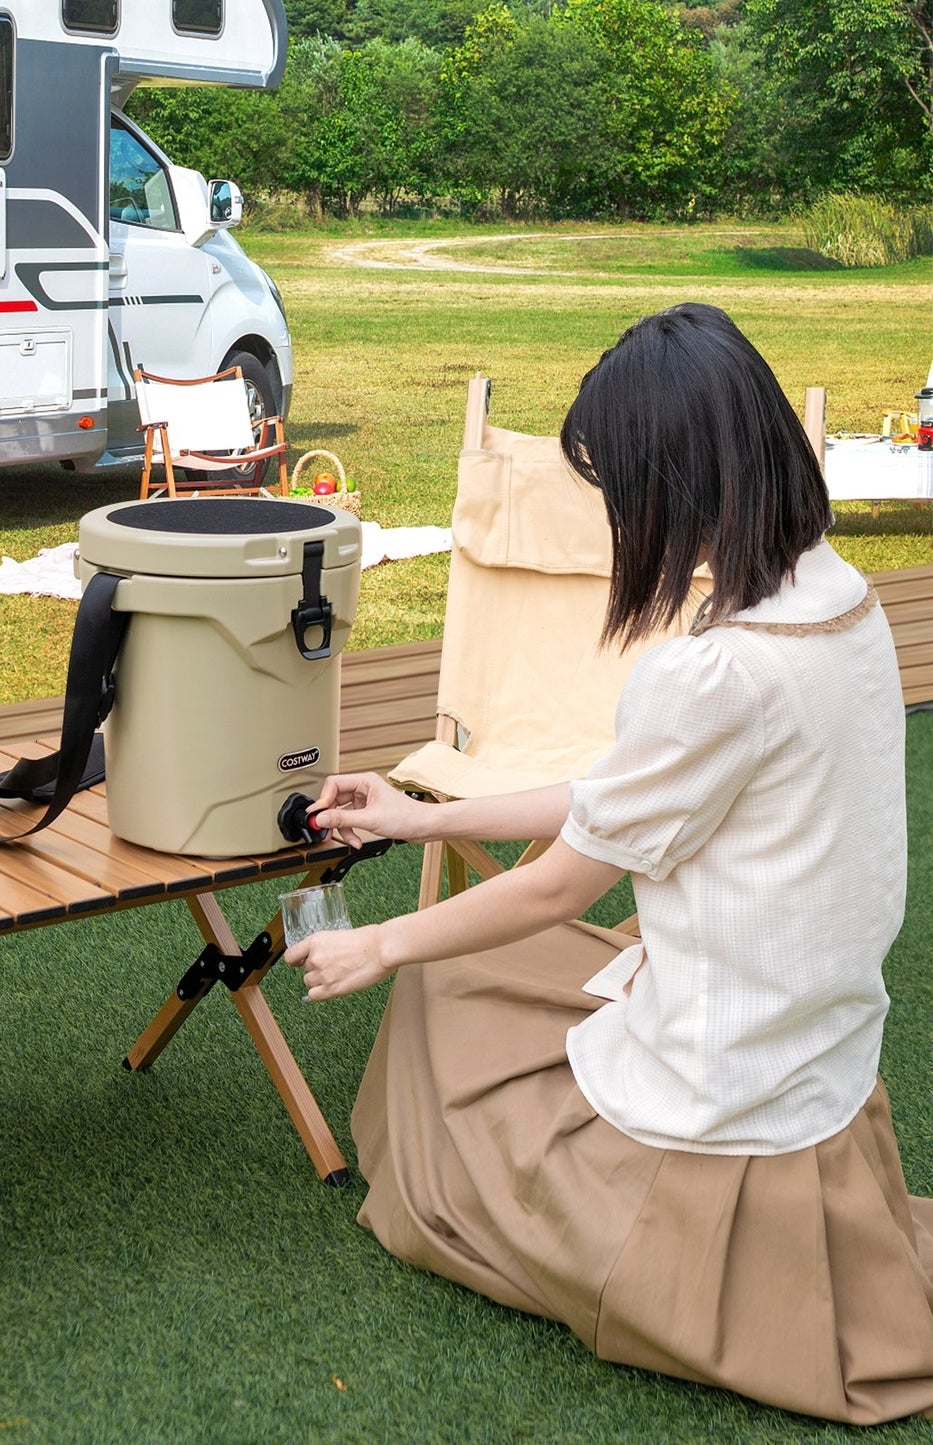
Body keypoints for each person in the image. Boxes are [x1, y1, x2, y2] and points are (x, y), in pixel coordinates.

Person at [288, 303, 933, 1425]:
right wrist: (413, 817)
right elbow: (619, 799)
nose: (613, 519)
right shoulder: (838, 596)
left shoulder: (716, 675)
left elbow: (553, 883)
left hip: (723, 1079)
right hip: (815, 1039)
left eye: (617, 491)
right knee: (502, 970)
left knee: (446, 1004)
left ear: (672, 483)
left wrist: (378, 945)